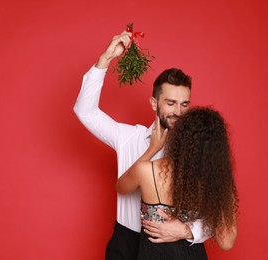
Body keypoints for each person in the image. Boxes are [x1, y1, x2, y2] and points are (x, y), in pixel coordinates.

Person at [74, 30, 209, 260]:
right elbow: (85, 111)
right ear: (154, 103)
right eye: (171, 103)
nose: (179, 112)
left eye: (185, 104)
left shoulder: (200, 148)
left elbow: (217, 207)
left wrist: (190, 230)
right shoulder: (129, 137)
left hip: (175, 245)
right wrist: (105, 59)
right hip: (126, 243)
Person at [116, 107, 239, 259]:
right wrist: (189, 230)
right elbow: (226, 241)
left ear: (179, 138)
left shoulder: (146, 171)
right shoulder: (215, 183)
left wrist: (152, 149)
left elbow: (121, 187)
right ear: (217, 149)